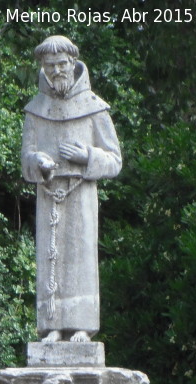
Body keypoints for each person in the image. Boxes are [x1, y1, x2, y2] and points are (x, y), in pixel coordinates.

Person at [22, 35, 122, 343]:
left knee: (79, 258)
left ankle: (82, 325)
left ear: (72, 64)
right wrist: (37, 160)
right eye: (49, 66)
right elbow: (25, 159)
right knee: (50, 259)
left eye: (61, 64)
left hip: (80, 195)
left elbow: (115, 160)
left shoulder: (93, 107)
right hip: (48, 193)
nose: (55, 71)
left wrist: (87, 156)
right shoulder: (35, 110)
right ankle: (51, 326)